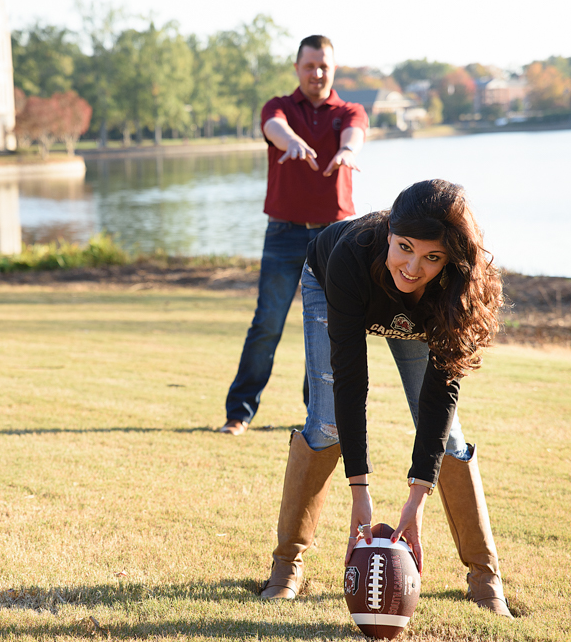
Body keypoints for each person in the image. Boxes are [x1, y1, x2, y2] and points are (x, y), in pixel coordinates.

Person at [259, 179, 513, 618]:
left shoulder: (455, 286)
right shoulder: (352, 255)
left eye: (432, 257)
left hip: (418, 315)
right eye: (404, 247)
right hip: (331, 283)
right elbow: (350, 380)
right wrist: (361, 492)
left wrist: (415, 501)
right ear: (391, 233)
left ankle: (484, 574)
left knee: (449, 436)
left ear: (450, 259)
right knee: (325, 423)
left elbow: (439, 396)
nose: (413, 267)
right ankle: (286, 566)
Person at [219, 34, 368, 436]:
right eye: (309, 66)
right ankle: (239, 413)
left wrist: (348, 152)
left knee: (326, 326)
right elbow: (274, 127)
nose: (317, 73)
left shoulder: (350, 109)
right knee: (267, 323)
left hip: (336, 237)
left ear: (332, 68)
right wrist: (291, 142)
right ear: (297, 68)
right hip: (284, 234)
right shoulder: (279, 107)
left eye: (324, 66)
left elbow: (355, 134)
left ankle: (318, 416)